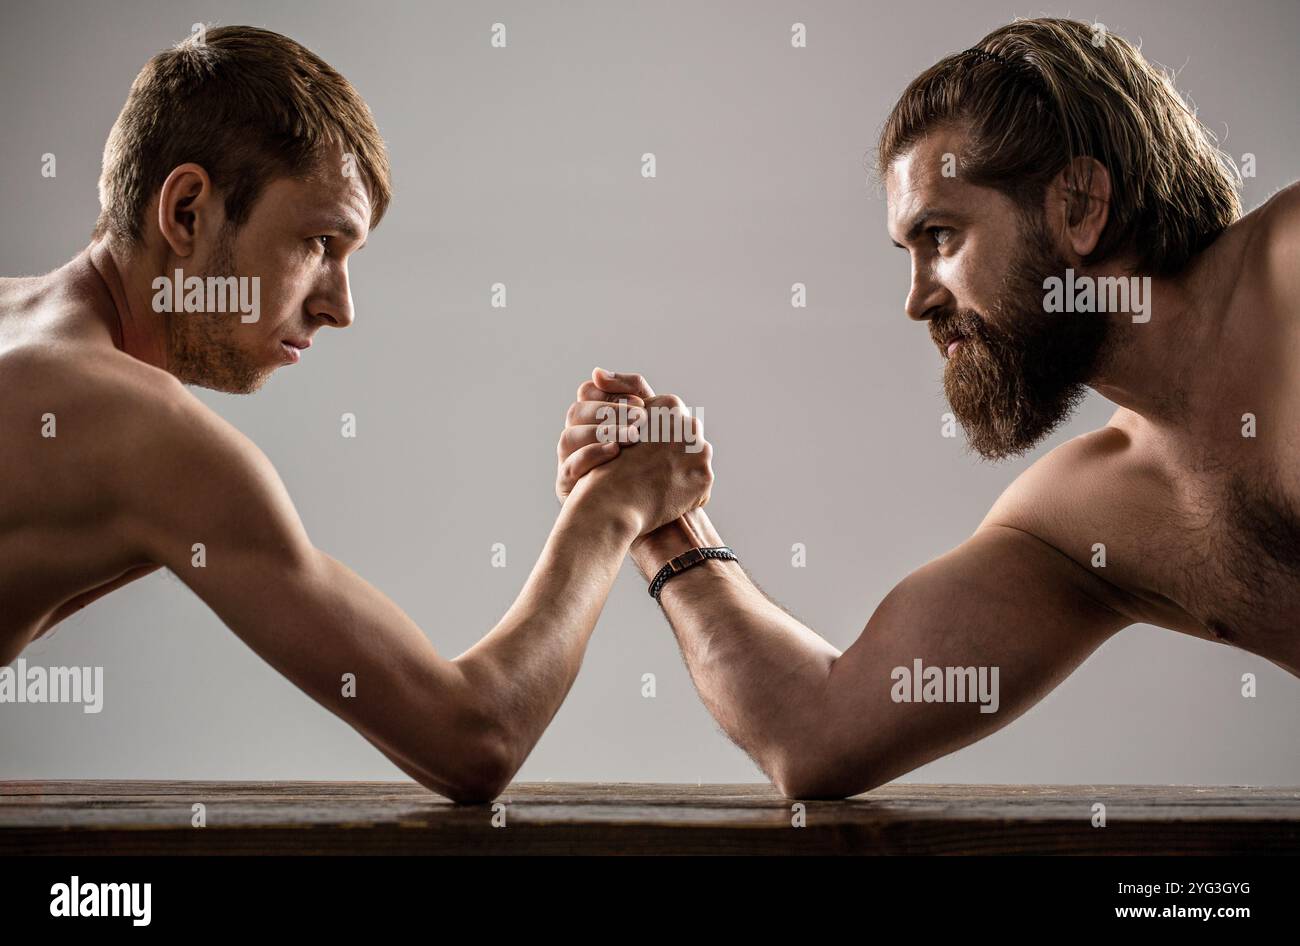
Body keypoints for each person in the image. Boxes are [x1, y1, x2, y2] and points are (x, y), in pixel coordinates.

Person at [557, 18, 1299, 799]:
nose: (916, 301)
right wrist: (659, 516)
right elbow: (814, 731)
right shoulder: (1089, 519)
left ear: (1080, 206)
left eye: (940, 236)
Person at [0, 26, 713, 803]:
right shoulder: (145, 436)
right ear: (187, 210)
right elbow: (473, 737)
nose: (340, 306)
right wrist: (612, 507)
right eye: (318, 242)